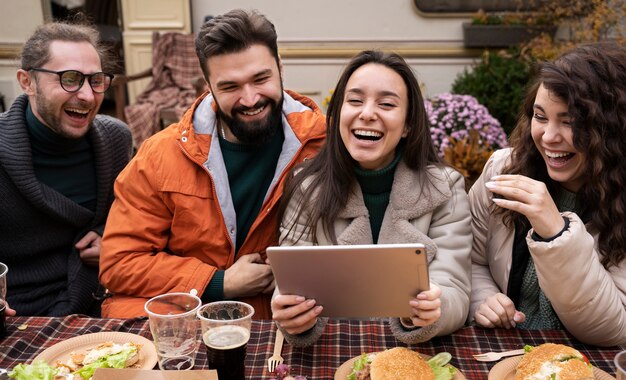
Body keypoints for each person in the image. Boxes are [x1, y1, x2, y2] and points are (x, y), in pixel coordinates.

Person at [99, 9, 326, 319]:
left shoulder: (325, 144)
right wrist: (219, 282)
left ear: (280, 70)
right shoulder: (158, 156)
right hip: (188, 318)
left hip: (283, 319)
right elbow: (119, 264)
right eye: (230, 87)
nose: (250, 99)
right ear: (208, 86)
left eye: (261, 79)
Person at [271, 50, 472, 346]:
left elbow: (455, 290)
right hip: (333, 350)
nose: (367, 113)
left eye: (387, 104)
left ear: (408, 125)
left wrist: (432, 310)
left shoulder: (445, 188)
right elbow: (288, 281)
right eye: (355, 101)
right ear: (338, 113)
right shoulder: (307, 187)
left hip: (414, 355)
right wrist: (291, 313)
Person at [469, 42, 626, 347]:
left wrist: (556, 233)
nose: (549, 136)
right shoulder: (503, 170)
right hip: (500, 353)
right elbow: (470, 260)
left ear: (612, 130)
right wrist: (483, 297)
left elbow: (615, 329)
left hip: (588, 366)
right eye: (540, 117)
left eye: (569, 122)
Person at [0, 21, 132, 316]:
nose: (87, 95)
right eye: (69, 79)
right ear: (27, 81)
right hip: (21, 317)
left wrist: (110, 235)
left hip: (108, 302)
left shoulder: (116, 139)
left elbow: (134, 214)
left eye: (95, 80)